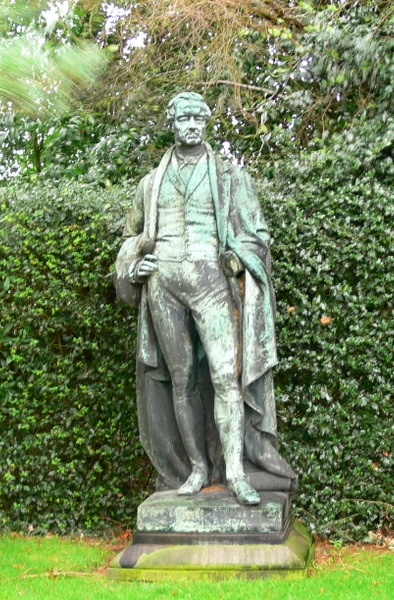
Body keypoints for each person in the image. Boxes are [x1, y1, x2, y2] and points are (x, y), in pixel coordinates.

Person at [115, 92, 295, 506]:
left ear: (206, 124)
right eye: (184, 118)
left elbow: (258, 235)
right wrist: (133, 264)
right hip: (164, 283)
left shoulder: (231, 177)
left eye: (199, 117)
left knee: (225, 376)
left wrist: (239, 259)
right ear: (172, 123)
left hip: (212, 281)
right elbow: (131, 239)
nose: (192, 124)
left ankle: (234, 471)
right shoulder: (149, 184)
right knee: (180, 379)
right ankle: (198, 467)